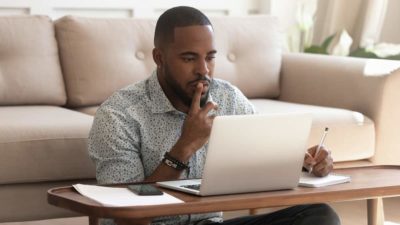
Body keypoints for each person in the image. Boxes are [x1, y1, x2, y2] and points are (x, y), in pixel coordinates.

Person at [88, 6, 340, 225]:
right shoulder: (118, 115)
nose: (203, 70)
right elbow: (127, 216)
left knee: (320, 217)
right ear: (159, 58)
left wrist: (308, 164)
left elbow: (266, 156)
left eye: (210, 57)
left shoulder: (228, 98)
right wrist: (184, 148)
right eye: (189, 58)